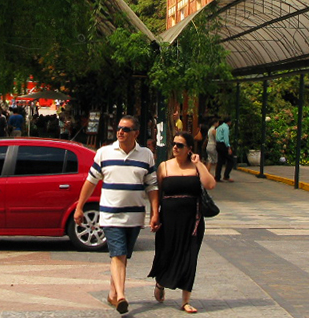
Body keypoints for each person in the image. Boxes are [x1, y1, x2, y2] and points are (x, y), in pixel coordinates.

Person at [74, 115, 159, 315]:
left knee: (122, 256)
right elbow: (91, 181)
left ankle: (112, 293)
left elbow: (152, 185)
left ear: (136, 133)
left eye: (126, 129)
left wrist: (155, 212)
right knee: (118, 254)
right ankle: (121, 296)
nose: (120, 132)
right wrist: (80, 207)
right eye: (119, 128)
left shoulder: (146, 155)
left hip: (135, 216)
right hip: (110, 215)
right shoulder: (104, 153)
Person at [149, 131, 216, 313]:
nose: (175, 148)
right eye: (174, 144)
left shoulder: (195, 167)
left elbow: (210, 184)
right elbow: (157, 192)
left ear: (189, 149)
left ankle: (185, 300)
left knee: (190, 257)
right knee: (166, 253)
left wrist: (198, 163)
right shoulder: (164, 166)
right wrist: (154, 214)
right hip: (169, 219)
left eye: (180, 145)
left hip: (192, 221)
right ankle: (161, 282)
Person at [214, 117, 234, 183]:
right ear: (229, 122)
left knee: (220, 161)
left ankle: (217, 176)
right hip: (223, 144)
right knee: (231, 160)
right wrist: (228, 147)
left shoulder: (219, 127)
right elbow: (226, 138)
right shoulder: (226, 128)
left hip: (218, 144)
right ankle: (226, 175)